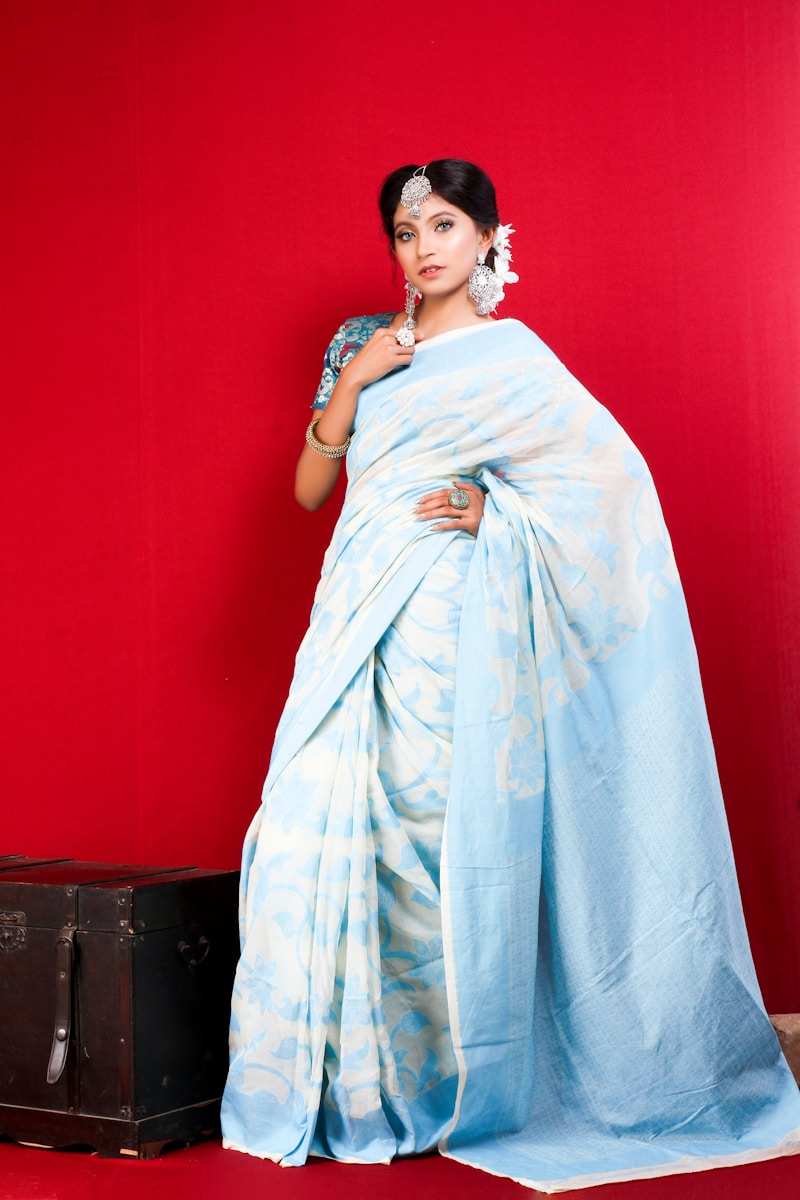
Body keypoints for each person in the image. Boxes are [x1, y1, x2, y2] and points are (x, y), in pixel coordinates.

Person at [221, 160, 800, 1191]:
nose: (424, 247)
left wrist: (506, 517)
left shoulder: (512, 359)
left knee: (433, 844)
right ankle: (359, 1087)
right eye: (405, 232)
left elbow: (610, 488)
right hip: (354, 612)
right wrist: (356, 383)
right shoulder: (361, 344)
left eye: (443, 225)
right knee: (325, 833)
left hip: (455, 621)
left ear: (489, 236)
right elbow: (313, 487)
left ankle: (453, 1088)